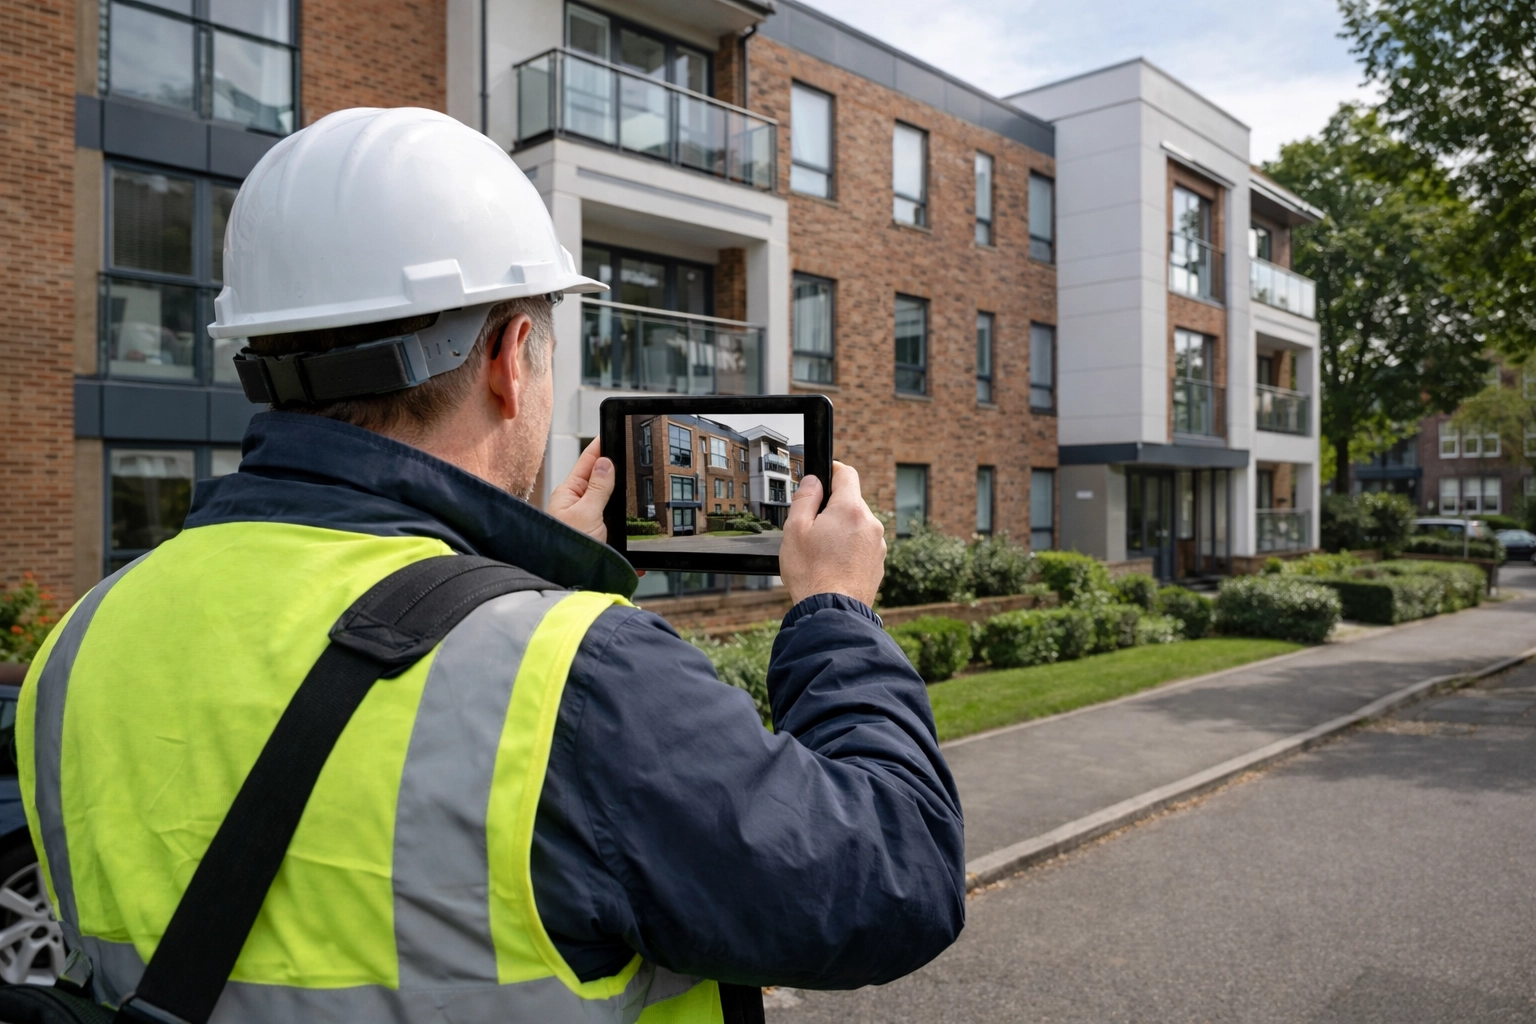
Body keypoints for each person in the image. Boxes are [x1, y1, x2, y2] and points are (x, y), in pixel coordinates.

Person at [19, 108, 964, 1022]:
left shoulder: (81, 641)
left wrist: (515, 589)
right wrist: (835, 611)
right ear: (514, 359)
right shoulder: (583, 679)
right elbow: (897, 871)